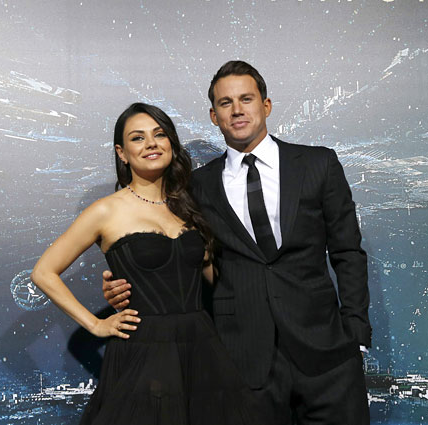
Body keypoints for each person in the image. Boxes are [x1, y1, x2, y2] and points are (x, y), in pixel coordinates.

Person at [103, 61, 372, 424]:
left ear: (266, 105)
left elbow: (347, 252)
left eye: (246, 98)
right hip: (242, 362)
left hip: (328, 355)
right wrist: (126, 282)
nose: (237, 110)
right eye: (226, 103)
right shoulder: (196, 187)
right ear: (214, 116)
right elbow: (177, 256)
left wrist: (355, 333)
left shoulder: (317, 164)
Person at [31, 102, 260, 425]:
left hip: (203, 348)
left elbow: (213, 278)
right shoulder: (106, 211)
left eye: (159, 134)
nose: (151, 143)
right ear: (122, 153)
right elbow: (43, 272)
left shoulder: (190, 204)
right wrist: (96, 324)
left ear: (171, 144)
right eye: (138, 138)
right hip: (143, 352)